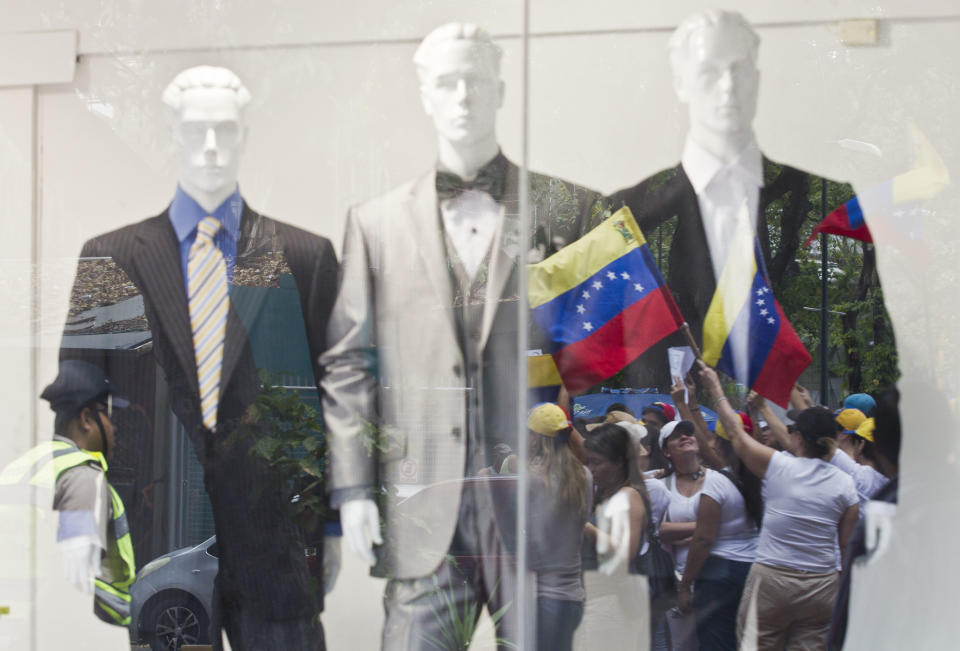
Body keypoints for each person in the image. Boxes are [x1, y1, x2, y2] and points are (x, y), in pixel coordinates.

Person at [320, 23, 606, 650]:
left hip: (534, 505)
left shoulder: (566, 211)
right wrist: (351, 489)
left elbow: (601, 355)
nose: (462, 97)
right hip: (423, 506)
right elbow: (347, 365)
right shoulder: (374, 225)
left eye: (475, 80)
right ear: (425, 94)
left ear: (500, 90)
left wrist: (616, 488)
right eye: (447, 82)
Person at [58, 66, 338, 649]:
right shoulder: (112, 260)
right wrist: (77, 513)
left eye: (226, 130)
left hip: (277, 541)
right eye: (194, 130)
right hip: (163, 534)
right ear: (171, 137)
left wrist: (331, 524)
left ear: (245, 137)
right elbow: (77, 396)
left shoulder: (304, 258)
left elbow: (337, 399)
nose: (211, 146)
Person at [606, 9, 863, 391]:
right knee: (695, 345)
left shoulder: (755, 170)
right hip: (690, 282)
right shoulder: (687, 176)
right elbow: (641, 217)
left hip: (742, 280)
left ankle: (731, 401)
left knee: (735, 349)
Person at [697, 361, 859, 650]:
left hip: (772, 581)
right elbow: (845, 548)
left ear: (797, 438)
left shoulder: (778, 466)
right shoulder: (846, 484)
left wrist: (714, 387)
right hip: (822, 585)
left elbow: (735, 433)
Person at [0, 360, 135, 626]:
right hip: (63, 632)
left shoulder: (19, 468)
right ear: (86, 419)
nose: (113, 426)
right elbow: (75, 578)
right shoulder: (83, 478)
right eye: (108, 414)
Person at [657, 419, 759, 650]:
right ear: (666, 451)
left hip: (714, 576)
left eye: (688, 433)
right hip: (678, 576)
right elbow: (658, 531)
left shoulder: (719, 480)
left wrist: (703, 531)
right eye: (676, 436)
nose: (685, 437)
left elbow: (704, 537)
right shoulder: (660, 485)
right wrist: (705, 526)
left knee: (721, 640)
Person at [575, 423, 650, 650]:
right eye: (589, 462)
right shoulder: (605, 494)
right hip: (598, 598)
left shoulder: (628, 496)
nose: (591, 469)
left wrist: (586, 527)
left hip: (614, 602)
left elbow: (624, 553)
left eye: (597, 462)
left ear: (618, 462)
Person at [526, 403, 592, 651]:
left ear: (535, 439)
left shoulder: (531, 478)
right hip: (573, 596)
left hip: (541, 597)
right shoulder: (584, 476)